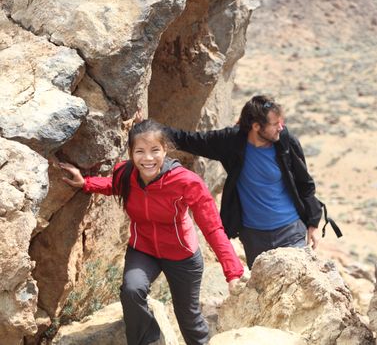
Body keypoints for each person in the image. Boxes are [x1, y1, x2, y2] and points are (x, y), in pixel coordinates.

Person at [60, 119, 243, 345]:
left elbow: (212, 228)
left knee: (188, 318)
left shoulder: (186, 182)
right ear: (131, 153)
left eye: (155, 150)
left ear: (165, 149)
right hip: (143, 249)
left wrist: (232, 272)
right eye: (140, 151)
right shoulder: (125, 174)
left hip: (182, 255)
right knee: (131, 290)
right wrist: (86, 183)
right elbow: (113, 185)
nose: (148, 158)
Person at [161, 95, 324, 269]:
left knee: (296, 282)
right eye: (275, 124)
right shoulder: (231, 141)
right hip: (253, 236)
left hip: (291, 231)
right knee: (264, 291)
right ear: (256, 126)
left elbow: (304, 184)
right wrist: (150, 129)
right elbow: (189, 140)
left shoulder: (285, 142)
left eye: (281, 122)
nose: (280, 127)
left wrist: (313, 223)